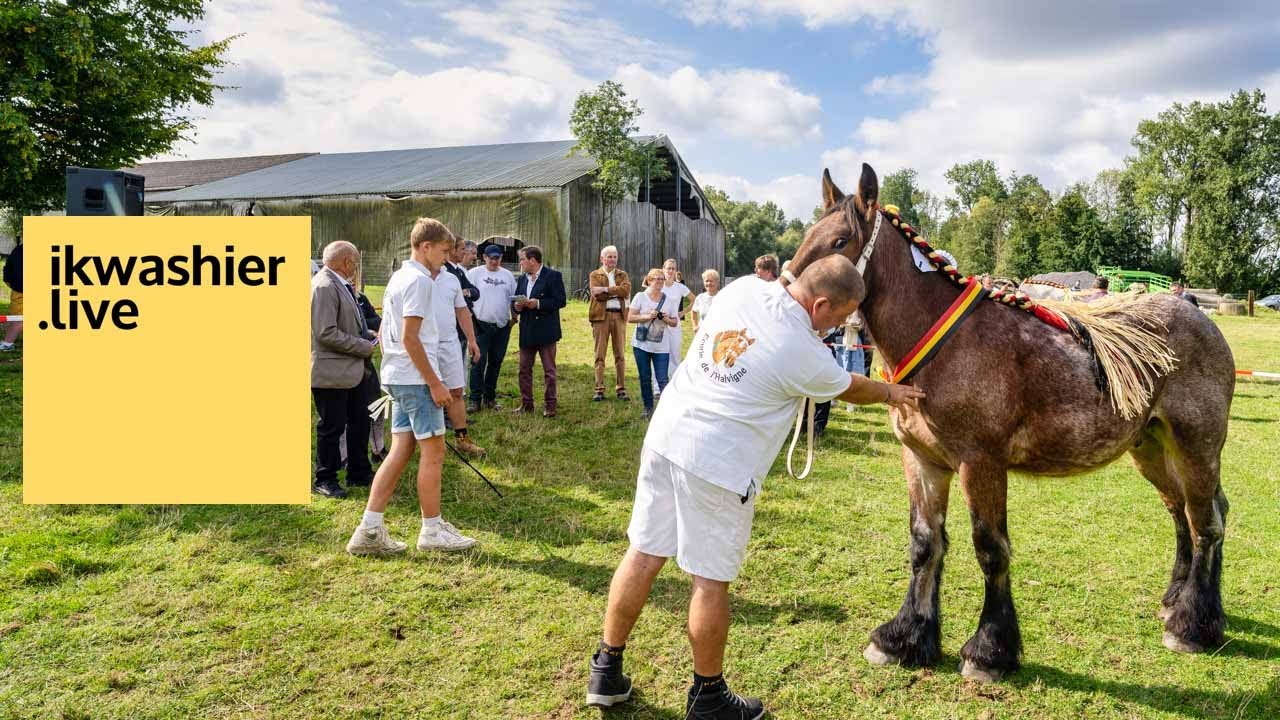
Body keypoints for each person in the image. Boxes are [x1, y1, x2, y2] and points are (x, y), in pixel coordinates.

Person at [585, 255, 925, 717]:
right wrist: (892, 392)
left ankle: (606, 667)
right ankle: (708, 698)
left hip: (667, 437)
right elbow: (848, 386)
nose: (839, 325)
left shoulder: (744, 288)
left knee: (644, 553)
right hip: (718, 464)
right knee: (709, 581)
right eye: (841, 317)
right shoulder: (804, 352)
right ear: (821, 304)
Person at [346, 217, 477, 556]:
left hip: (398, 375)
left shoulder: (400, 276)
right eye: (445, 251)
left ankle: (369, 529)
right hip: (416, 377)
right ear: (425, 247)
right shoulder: (419, 281)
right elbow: (410, 337)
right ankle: (432, 529)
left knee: (401, 450)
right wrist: (435, 383)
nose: (448, 258)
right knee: (434, 452)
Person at [310, 241, 377, 499]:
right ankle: (324, 478)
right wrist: (362, 345)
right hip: (331, 372)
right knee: (331, 427)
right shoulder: (324, 286)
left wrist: (366, 333)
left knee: (359, 421)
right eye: (356, 262)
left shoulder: (339, 283)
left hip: (351, 371)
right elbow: (325, 332)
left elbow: (346, 322)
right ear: (346, 262)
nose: (357, 267)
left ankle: (359, 471)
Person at [429, 243, 486, 457]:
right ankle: (429, 442)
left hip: (450, 342)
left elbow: (462, 311)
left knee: (456, 391)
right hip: (424, 347)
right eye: (446, 251)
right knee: (428, 394)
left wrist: (472, 340)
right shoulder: (412, 277)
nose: (454, 256)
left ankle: (462, 439)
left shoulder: (451, 277)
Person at [513, 245, 565, 417]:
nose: (520, 263)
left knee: (549, 371)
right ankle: (526, 404)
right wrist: (517, 306)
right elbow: (515, 300)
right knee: (524, 369)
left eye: (522, 259)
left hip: (546, 331)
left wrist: (538, 304)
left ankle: (550, 405)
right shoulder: (521, 279)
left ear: (532, 260)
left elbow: (560, 301)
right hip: (527, 330)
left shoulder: (553, 276)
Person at [465, 245, 517, 413]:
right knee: (478, 362)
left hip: (501, 326)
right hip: (480, 325)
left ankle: (490, 398)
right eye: (491, 258)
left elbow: (513, 299)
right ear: (484, 257)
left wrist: (514, 318)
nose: (494, 261)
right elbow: (465, 298)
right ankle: (475, 399)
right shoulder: (474, 274)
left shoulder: (507, 276)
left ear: (501, 258)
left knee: (496, 362)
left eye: (497, 258)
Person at [628, 269, 677, 418]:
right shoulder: (640, 297)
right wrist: (647, 316)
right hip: (641, 345)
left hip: (661, 346)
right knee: (645, 377)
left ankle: (666, 411)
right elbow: (630, 318)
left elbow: (674, 322)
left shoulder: (668, 300)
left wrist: (666, 319)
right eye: (657, 279)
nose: (660, 282)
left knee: (662, 379)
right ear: (649, 280)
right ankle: (648, 408)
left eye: (662, 279)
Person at [588, 245, 632, 402]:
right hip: (601, 317)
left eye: (615, 256)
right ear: (602, 258)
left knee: (620, 354)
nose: (613, 259)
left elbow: (625, 291)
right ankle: (599, 389)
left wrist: (605, 290)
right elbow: (596, 295)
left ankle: (621, 388)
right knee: (600, 354)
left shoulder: (622, 274)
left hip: (619, 317)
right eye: (609, 256)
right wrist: (615, 292)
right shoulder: (595, 274)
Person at [661, 258, 692, 377]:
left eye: (673, 269)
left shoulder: (680, 287)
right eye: (668, 268)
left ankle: (674, 381)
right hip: (659, 324)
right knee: (660, 353)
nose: (670, 271)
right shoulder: (659, 285)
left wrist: (683, 312)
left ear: (676, 271)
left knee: (675, 354)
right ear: (663, 269)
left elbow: (695, 300)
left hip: (675, 324)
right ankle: (658, 385)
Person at [1, 240, 22, 352]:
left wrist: (12, 284)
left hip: (18, 290)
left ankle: (7, 343)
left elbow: (7, 271)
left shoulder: (17, 250)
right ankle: (7, 343)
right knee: (18, 319)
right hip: (20, 290)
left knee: (18, 318)